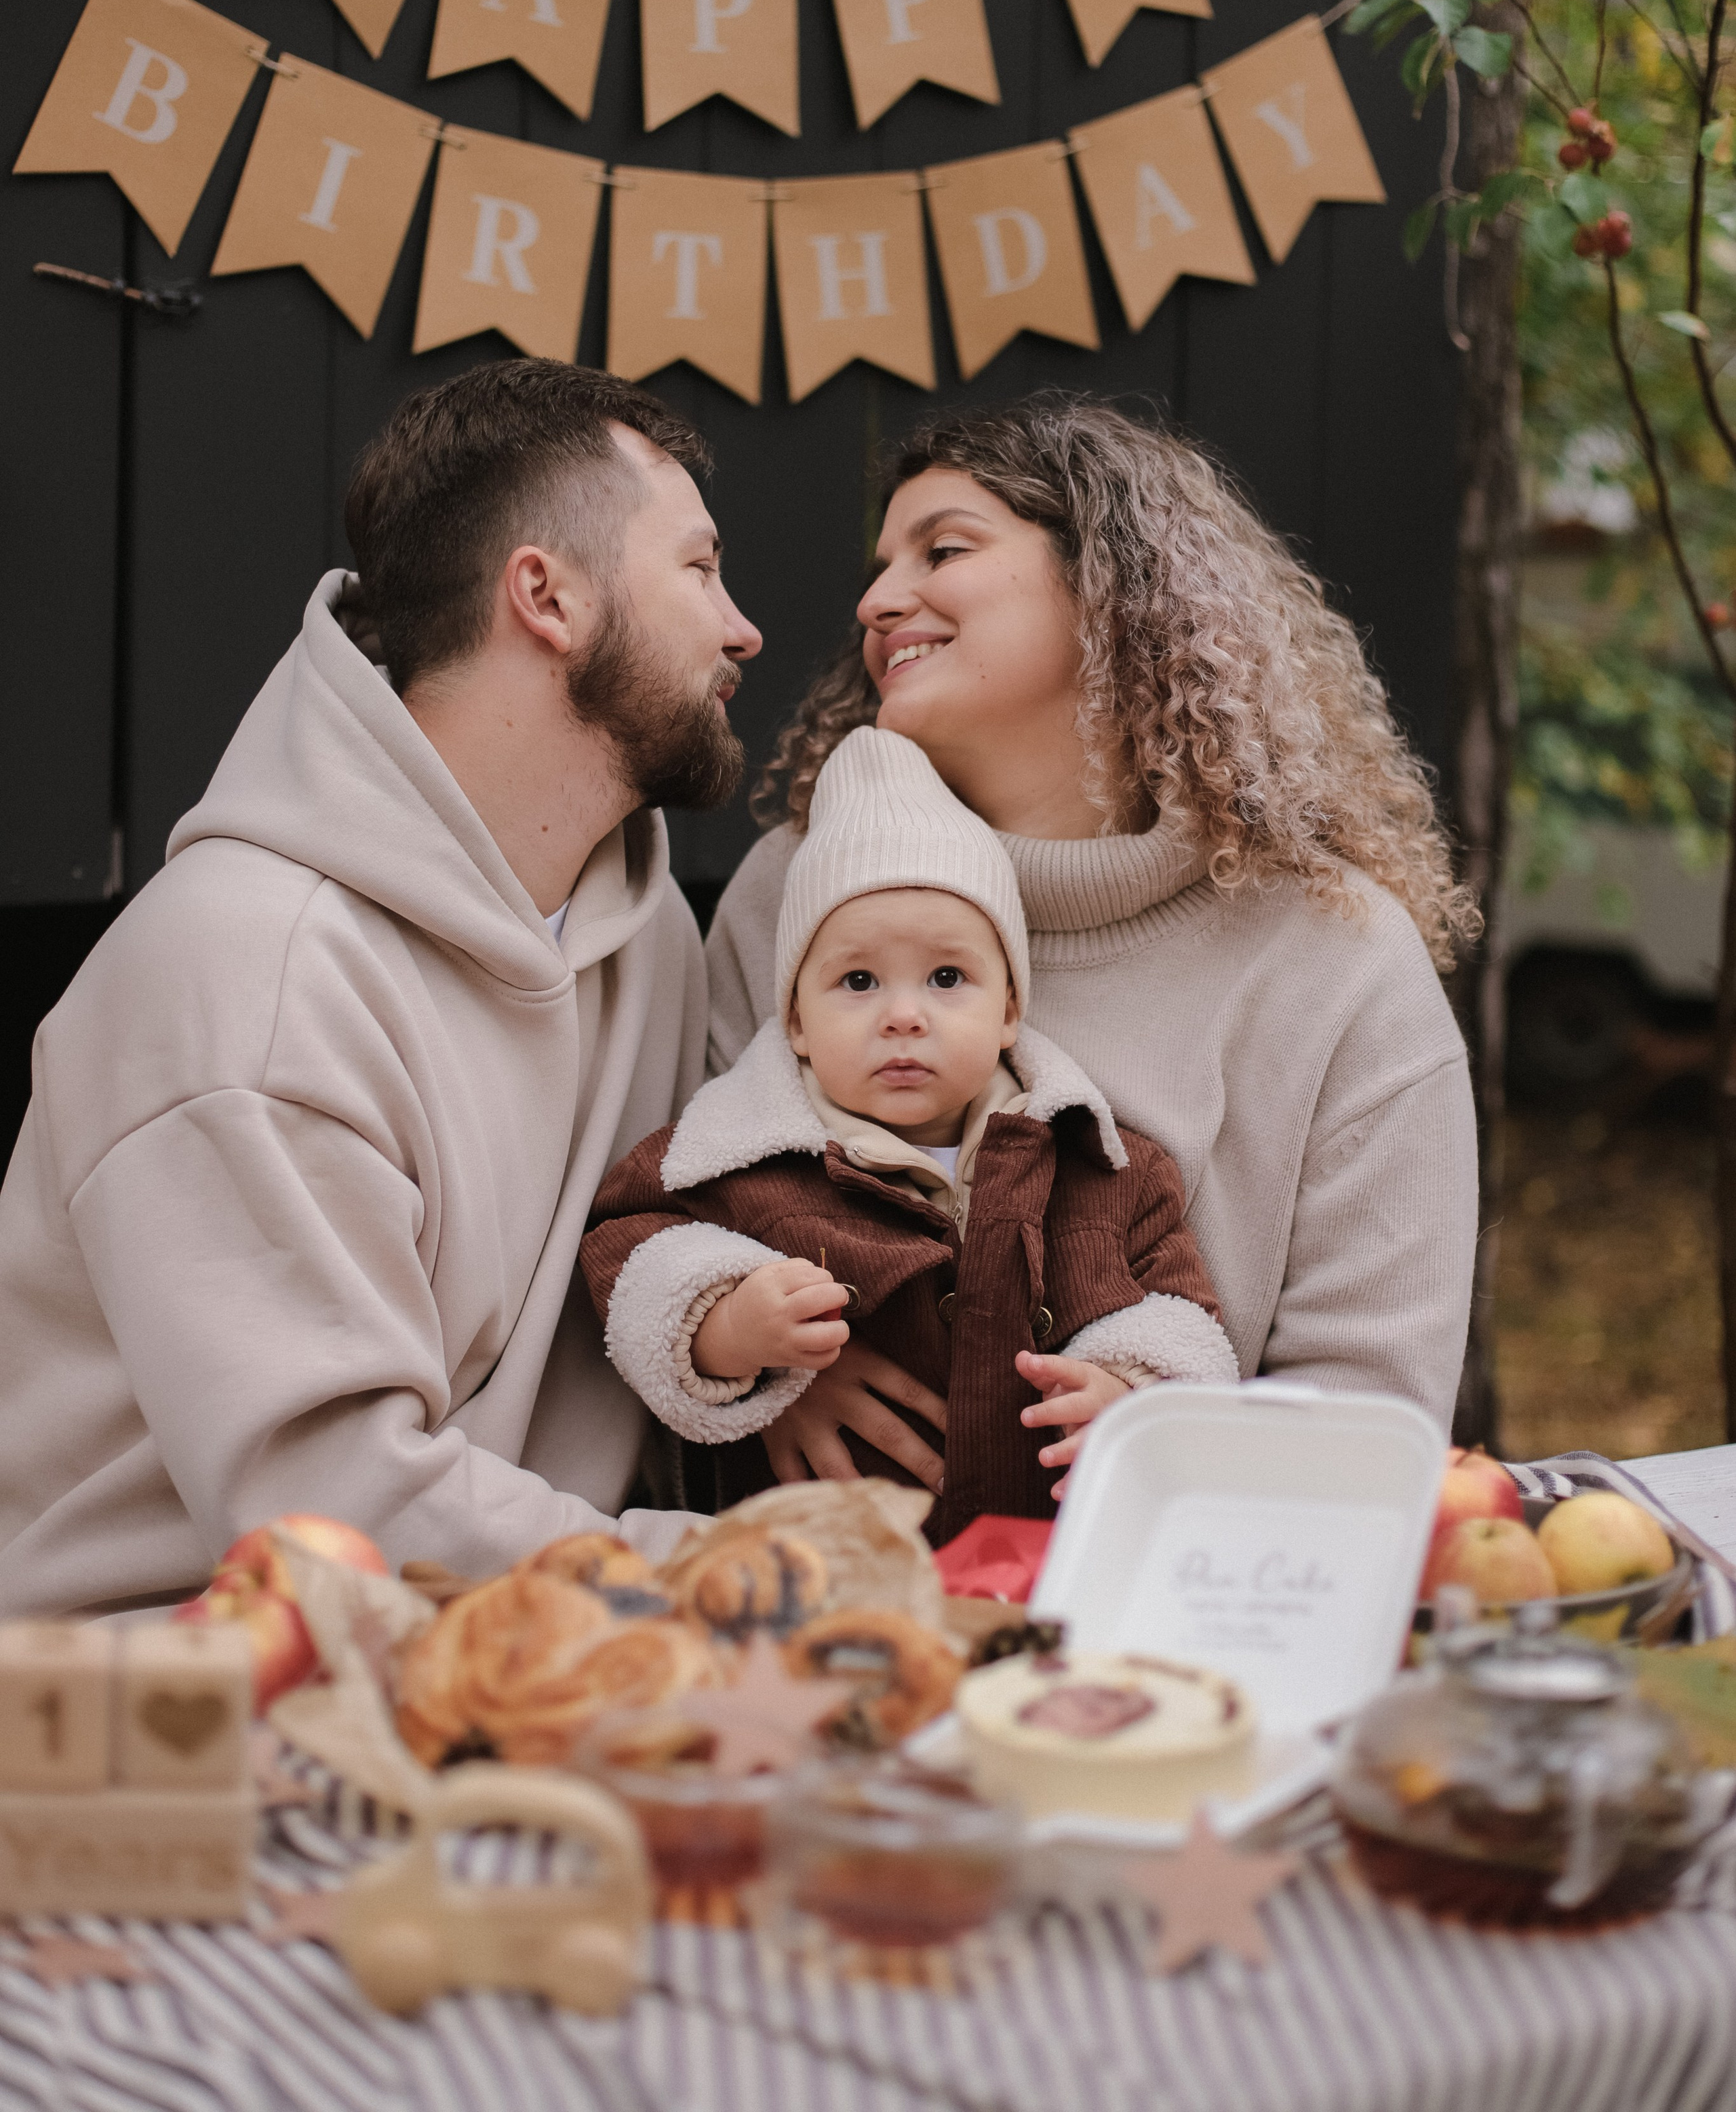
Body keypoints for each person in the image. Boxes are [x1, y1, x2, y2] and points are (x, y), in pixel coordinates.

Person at [0, 359, 760, 1618]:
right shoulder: (249, 971)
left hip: (537, 1664)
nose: (741, 626)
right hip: (178, 1711)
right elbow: (332, 1512)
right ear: (548, 597)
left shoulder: (648, 935)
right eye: (697, 567)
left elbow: (656, 1289)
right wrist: (738, 1583)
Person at [708, 393, 1480, 1487]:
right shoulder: (796, 889)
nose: (879, 601)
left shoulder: (1334, 954)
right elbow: (678, 1207)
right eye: (879, 568)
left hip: (1182, 1608)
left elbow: (1367, 1404)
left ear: (1112, 584)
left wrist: (1155, 1440)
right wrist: (774, 1371)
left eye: (945, 548)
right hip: (820, 1599)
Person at [581, 728, 1236, 1546]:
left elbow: (1181, 1315)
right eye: (857, 981)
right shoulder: (736, 1163)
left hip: (1045, 1581)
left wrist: (1130, 1395)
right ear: (796, 1021)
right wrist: (728, 1327)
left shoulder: (1103, 1168)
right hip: (822, 1580)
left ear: (1006, 1012)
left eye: (946, 978)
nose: (902, 1013)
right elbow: (631, 1250)